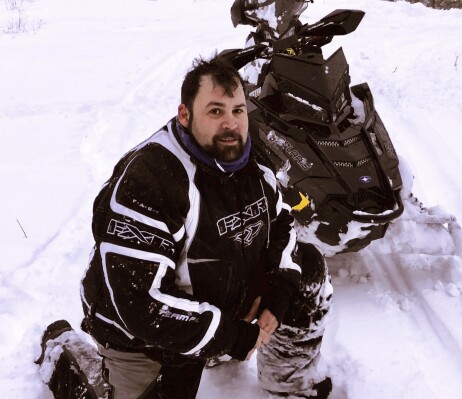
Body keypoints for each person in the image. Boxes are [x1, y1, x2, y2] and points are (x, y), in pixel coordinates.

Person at [67, 56, 333, 398]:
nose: (231, 124)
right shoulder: (151, 180)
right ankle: (67, 356)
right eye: (215, 111)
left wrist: (278, 293)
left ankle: (289, 381)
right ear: (185, 115)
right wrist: (229, 335)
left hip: (214, 303)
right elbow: (140, 306)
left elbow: (281, 223)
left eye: (238, 110)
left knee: (307, 267)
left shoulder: (251, 157)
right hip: (148, 337)